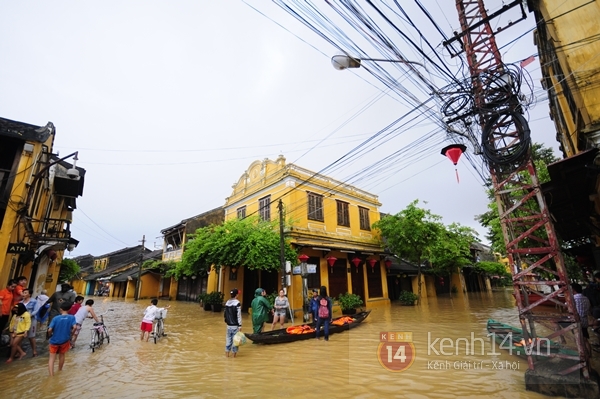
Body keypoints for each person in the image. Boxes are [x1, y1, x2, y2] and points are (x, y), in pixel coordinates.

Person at [47, 301, 76, 376]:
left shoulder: (56, 318)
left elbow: (49, 329)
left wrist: (50, 335)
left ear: (60, 309)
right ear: (69, 309)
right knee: (62, 355)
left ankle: (51, 375)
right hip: (65, 340)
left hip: (54, 341)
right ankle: (59, 370)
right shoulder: (72, 317)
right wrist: (71, 335)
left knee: (51, 358)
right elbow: (75, 327)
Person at [224, 288, 242, 357]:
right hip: (235, 326)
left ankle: (227, 355)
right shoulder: (237, 303)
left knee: (228, 340)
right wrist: (240, 326)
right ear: (236, 295)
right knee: (235, 342)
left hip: (228, 325)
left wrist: (227, 321)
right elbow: (239, 315)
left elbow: (225, 314)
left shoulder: (227, 302)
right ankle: (234, 357)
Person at [20, 288, 38, 357]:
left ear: (29, 294)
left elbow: (36, 310)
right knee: (20, 335)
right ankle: (19, 351)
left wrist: (29, 315)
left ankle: (34, 350)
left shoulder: (34, 301)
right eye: (23, 292)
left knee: (31, 336)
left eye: (25, 293)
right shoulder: (21, 302)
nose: (23, 294)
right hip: (22, 321)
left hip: (32, 320)